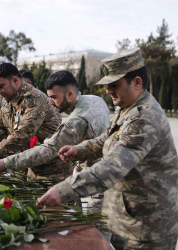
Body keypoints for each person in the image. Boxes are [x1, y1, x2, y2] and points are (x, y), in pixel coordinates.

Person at [37, 48, 178, 249]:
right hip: (127, 215)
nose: (108, 90)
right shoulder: (126, 108)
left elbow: (113, 165)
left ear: (137, 83)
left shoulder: (144, 117)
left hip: (148, 227)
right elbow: (108, 139)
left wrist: (65, 189)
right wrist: (79, 150)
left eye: (115, 85)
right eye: (108, 85)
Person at [0, 70, 109, 184]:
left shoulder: (75, 122)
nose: (50, 102)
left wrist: (6, 162)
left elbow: (48, 151)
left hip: (94, 181)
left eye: (54, 97)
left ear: (70, 94)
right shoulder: (95, 100)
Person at [0, 63, 61, 165]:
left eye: (0, 86)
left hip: (49, 168)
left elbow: (22, 134)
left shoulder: (34, 99)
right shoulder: (7, 99)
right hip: (25, 164)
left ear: (15, 81)